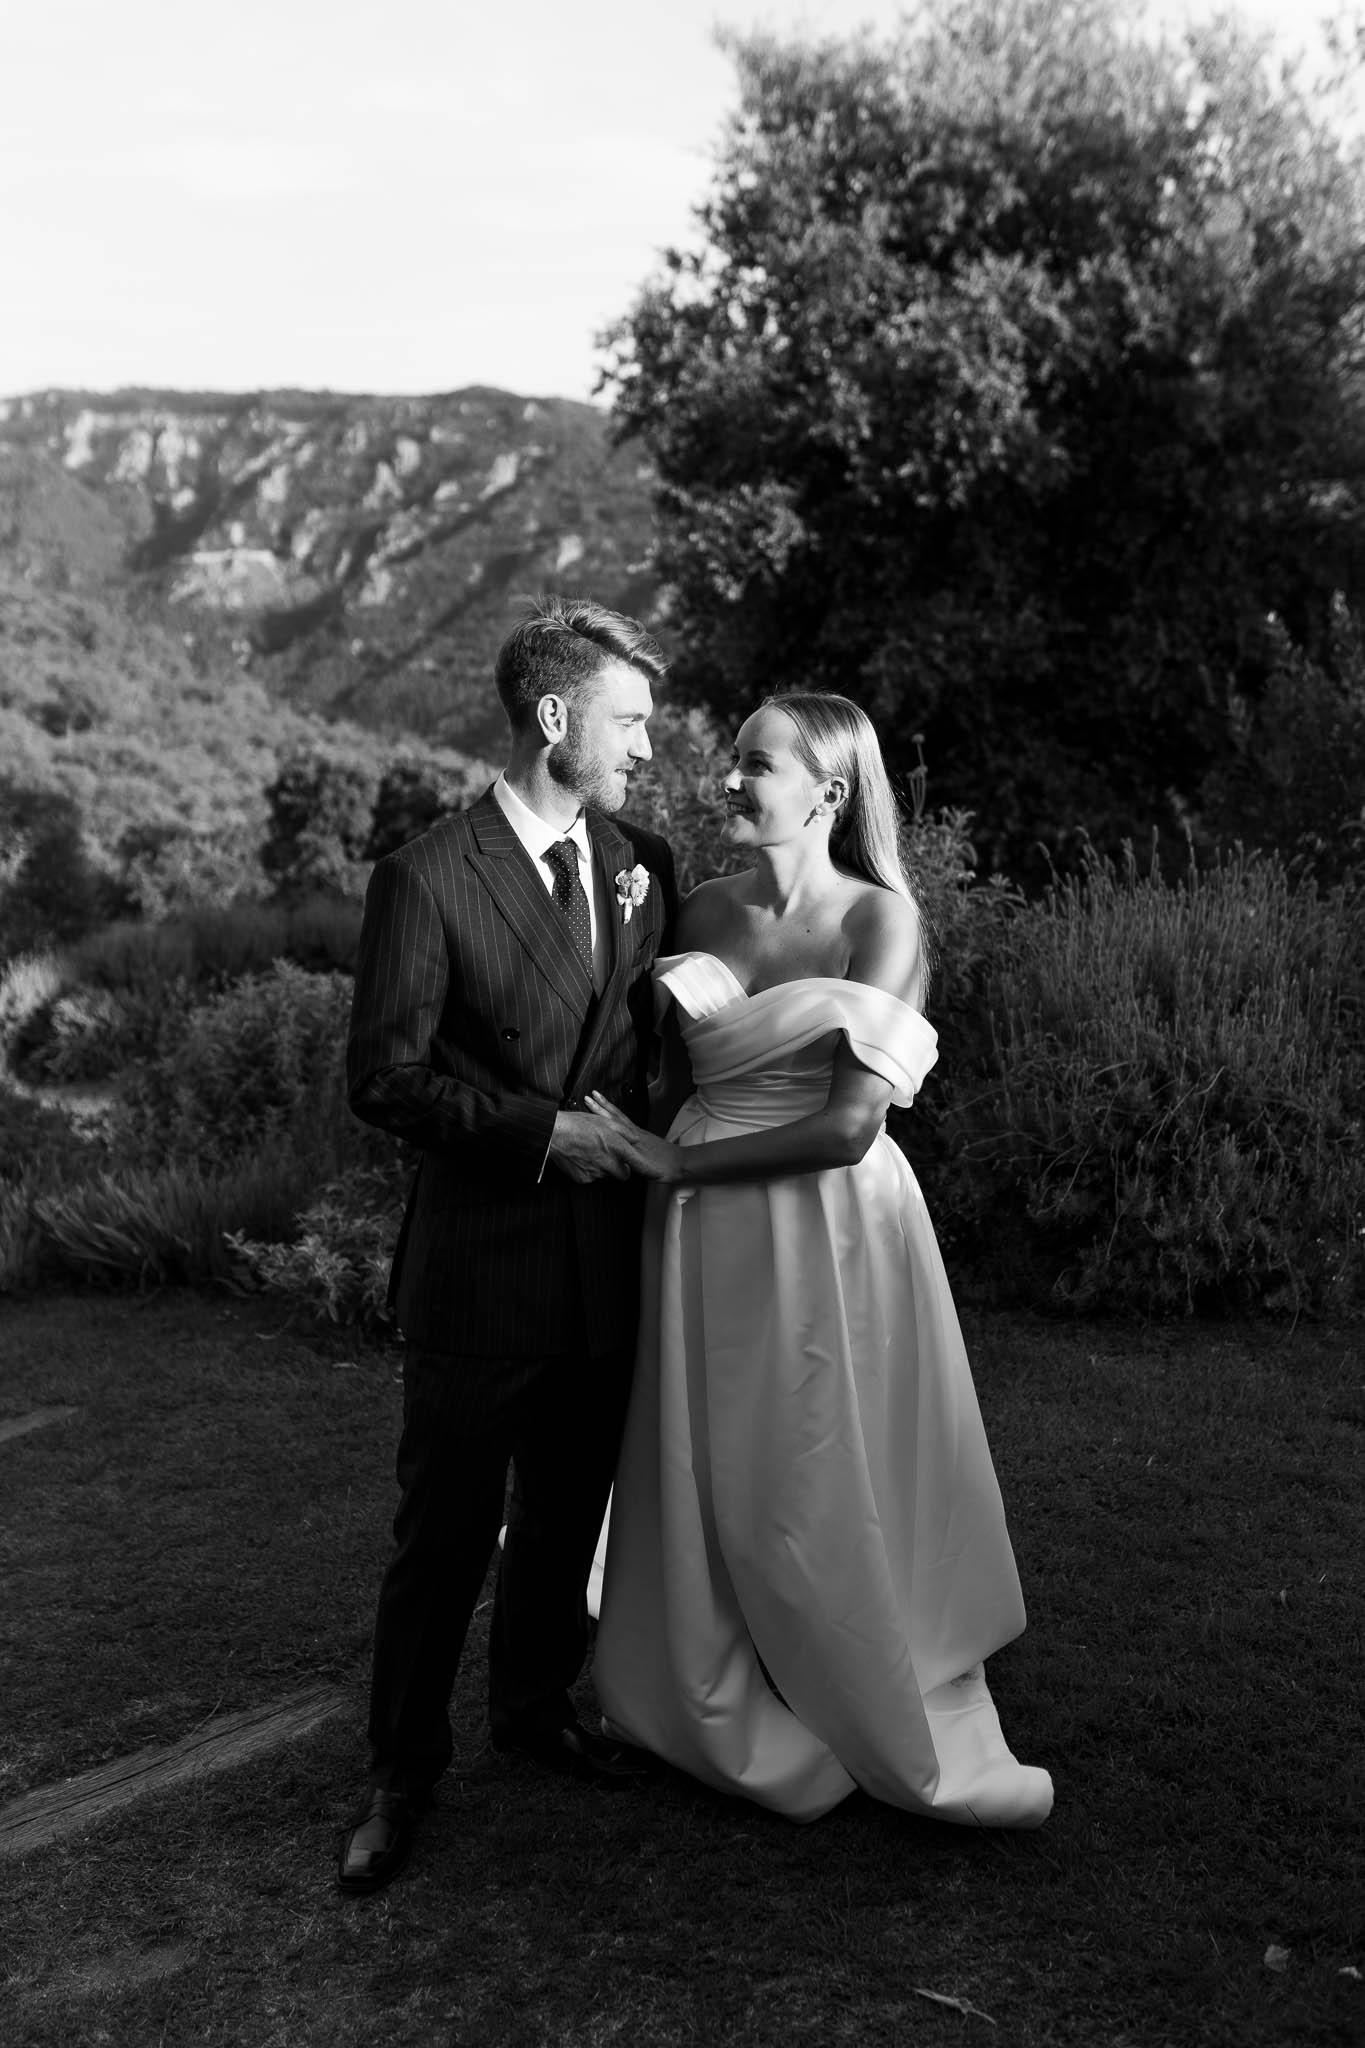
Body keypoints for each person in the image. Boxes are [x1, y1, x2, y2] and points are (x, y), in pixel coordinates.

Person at [585, 692, 1053, 1826]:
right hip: (700, 1229)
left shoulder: (879, 923)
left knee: (814, 1451)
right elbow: (671, 1078)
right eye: (734, 760)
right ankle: (718, 1666)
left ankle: (852, 1657)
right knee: (707, 1453)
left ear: (829, 791)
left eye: (757, 765)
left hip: (826, 1225)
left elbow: (848, 1127)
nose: (729, 780)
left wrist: (677, 1163)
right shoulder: (698, 908)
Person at [337, 595, 677, 1894]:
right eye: (628, 721)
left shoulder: (644, 860)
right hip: (482, 1269)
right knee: (443, 1537)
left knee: (564, 1515)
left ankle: (534, 1709)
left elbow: (658, 1046)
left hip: (603, 1264)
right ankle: (399, 1772)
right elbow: (384, 1079)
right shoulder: (426, 876)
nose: (645, 745)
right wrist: (546, 1134)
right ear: (553, 717)